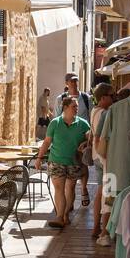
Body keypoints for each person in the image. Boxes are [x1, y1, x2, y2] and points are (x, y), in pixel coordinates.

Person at [33, 94, 91, 228]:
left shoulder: (83, 124)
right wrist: (39, 158)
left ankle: (65, 215)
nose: (76, 109)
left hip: (74, 162)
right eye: (73, 106)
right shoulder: (55, 123)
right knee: (59, 189)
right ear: (65, 108)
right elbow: (47, 142)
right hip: (56, 160)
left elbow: (90, 140)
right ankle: (59, 216)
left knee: (70, 189)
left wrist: (87, 143)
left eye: (77, 106)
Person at [89, 83, 115, 241]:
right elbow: (102, 135)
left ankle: (96, 226)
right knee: (106, 191)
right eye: (111, 96)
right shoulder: (103, 113)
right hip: (103, 155)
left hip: (96, 154)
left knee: (100, 191)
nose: (114, 98)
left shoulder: (94, 111)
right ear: (103, 97)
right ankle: (102, 228)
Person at [66, 73, 93, 206]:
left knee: (83, 165)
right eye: (72, 81)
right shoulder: (61, 99)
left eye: (76, 81)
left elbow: (92, 117)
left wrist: (90, 138)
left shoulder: (86, 98)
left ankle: (83, 188)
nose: (74, 83)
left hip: (83, 138)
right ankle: (69, 200)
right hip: (67, 139)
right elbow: (56, 117)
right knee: (68, 166)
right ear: (66, 83)